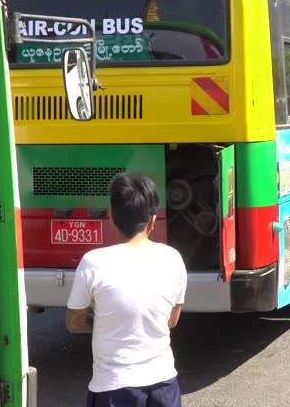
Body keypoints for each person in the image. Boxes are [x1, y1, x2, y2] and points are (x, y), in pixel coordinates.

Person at [67, 173, 187, 406]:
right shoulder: (173, 259)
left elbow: (74, 322)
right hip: (164, 383)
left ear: (112, 218)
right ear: (153, 221)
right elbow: (171, 320)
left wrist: (106, 322)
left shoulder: (93, 262)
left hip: (113, 388)